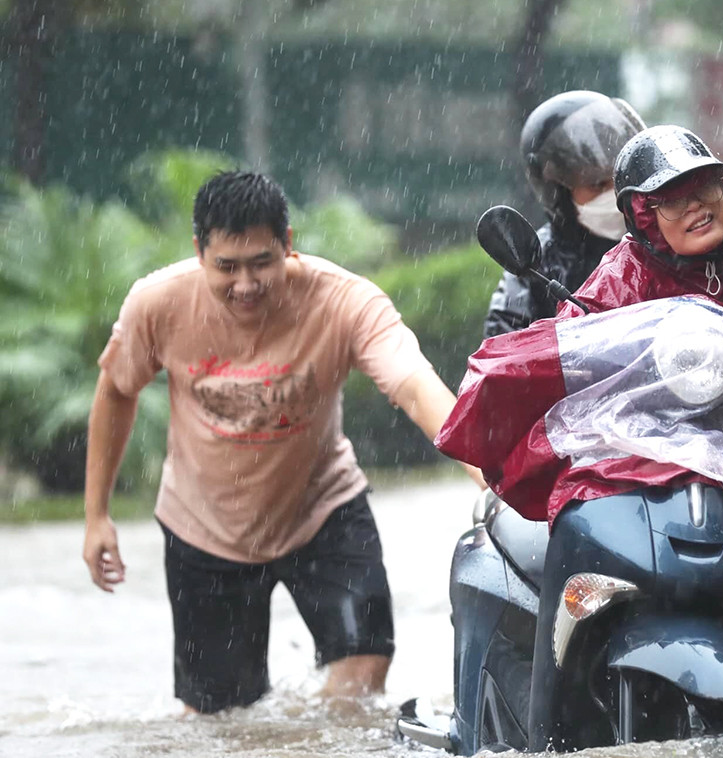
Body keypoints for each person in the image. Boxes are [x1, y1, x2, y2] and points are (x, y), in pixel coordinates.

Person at [437, 123, 723, 749]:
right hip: (639, 456)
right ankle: (544, 731)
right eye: (670, 197)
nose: (696, 205)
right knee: (573, 515)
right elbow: (571, 349)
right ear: (641, 214)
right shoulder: (615, 277)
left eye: (704, 185)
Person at [82, 170, 484, 714]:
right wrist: (96, 514)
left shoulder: (344, 301)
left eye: (261, 263)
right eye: (226, 267)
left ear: (288, 245)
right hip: (203, 528)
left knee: (364, 667)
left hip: (322, 510)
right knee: (220, 719)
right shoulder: (158, 303)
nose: (245, 285)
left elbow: (414, 387)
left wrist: (482, 463)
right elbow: (115, 390)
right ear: (199, 251)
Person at [482, 90, 645, 337]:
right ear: (558, 193)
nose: (615, 192)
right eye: (597, 185)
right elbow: (502, 349)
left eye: (620, 177)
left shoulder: (669, 231)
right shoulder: (538, 264)